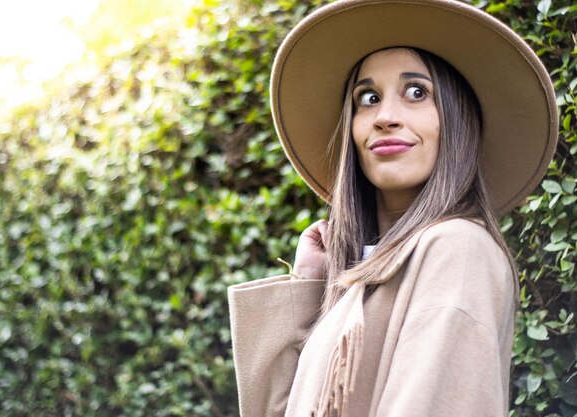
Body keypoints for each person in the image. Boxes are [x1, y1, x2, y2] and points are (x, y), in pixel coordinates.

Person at [228, 0, 558, 416]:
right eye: (367, 98)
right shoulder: (357, 283)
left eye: (416, 92)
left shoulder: (456, 249)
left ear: (456, 121)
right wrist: (307, 285)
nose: (385, 116)